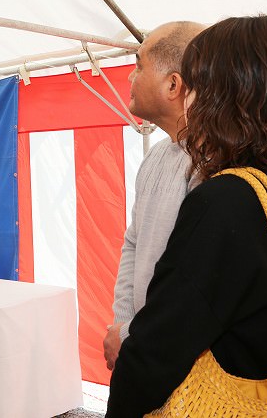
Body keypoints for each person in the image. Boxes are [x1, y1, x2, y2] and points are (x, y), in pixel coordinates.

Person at [106, 16, 267, 417]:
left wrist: (130, 354)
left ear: (226, 92)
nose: (191, 98)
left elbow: (161, 348)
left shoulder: (226, 197)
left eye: (201, 83)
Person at [103, 21, 204, 371]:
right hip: (140, 344)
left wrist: (132, 334)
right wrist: (122, 327)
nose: (131, 78)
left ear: (173, 84)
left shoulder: (212, 165)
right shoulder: (156, 156)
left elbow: (194, 278)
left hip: (183, 357)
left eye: (139, 66)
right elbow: (133, 243)